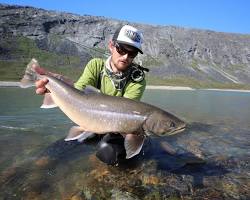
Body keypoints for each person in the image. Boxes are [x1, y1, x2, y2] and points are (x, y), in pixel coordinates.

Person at [35, 24, 147, 165]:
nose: (125, 56)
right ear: (111, 46)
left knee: (109, 153)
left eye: (132, 53)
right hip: (89, 123)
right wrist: (60, 84)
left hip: (115, 130)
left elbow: (124, 116)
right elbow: (78, 92)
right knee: (48, 156)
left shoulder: (137, 79)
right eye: (121, 49)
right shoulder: (95, 65)